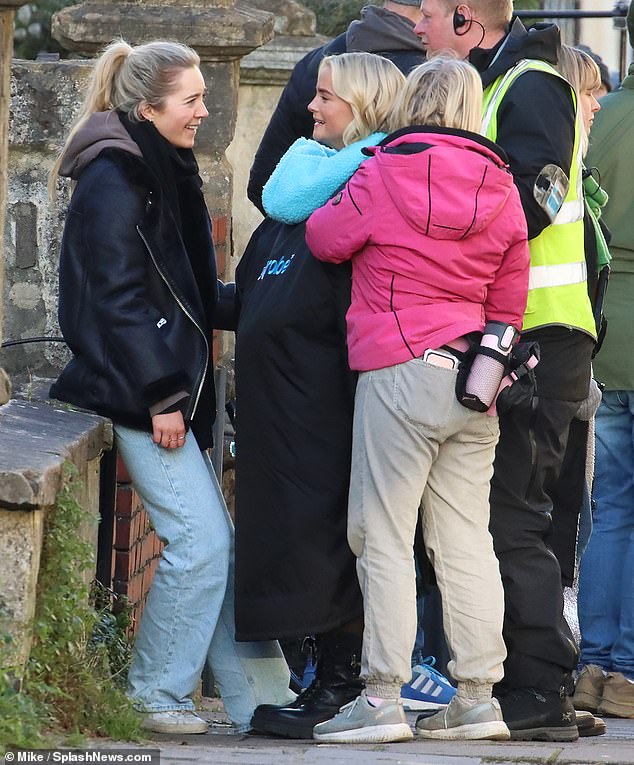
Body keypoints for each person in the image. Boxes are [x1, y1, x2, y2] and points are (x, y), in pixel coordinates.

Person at [48, 39, 293, 735]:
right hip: (137, 390)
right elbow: (118, 300)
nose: (204, 112)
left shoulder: (158, 165)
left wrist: (269, 298)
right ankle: (154, 692)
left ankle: (259, 701)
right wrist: (161, 395)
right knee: (204, 541)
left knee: (217, 543)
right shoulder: (114, 178)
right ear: (147, 106)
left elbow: (183, 291)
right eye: (191, 101)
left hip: (160, 388)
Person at [306, 54, 530, 743]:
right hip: (473, 379)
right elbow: (510, 301)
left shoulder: (383, 170)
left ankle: (381, 696)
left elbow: (323, 236)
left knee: (383, 534)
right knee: (465, 539)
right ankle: (477, 697)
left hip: (399, 367)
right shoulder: (503, 186)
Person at [415, 0, 598, 741]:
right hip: (525, 333)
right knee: (510, 511)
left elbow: (542, 195)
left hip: (539, 336)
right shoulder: (504, 80)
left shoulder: (527, 83)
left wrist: (448, 236)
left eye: (428, 12)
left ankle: (539, 687)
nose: (417, 25)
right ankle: (541, 681)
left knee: (512, 513)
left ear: (467, 17)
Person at [234, 52, 407, 740]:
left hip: (331, 398)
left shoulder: (367, 184)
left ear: (361, 106)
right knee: (295, 539)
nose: (311, 107)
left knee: (331, 538)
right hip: (283, 402)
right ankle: (321, 675)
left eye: (325, 97)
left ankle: (338, 684)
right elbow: (254, 288)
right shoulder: (301, 187)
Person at [575, 2, 634, 720]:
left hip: (604, 321)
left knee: (610, 508)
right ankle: (626, 672)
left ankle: (592, 662)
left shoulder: (597, 114)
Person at [247, 0, 426, 213]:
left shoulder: (315, 61)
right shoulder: (427, 79)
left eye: (324, 97)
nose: (312, 106)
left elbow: (262, 181)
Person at [549, 45, 610, 589]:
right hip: (554, 368)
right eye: (588, 93)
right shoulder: (558, 178)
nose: (597, 105)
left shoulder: (581, 176)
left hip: (576, 369)